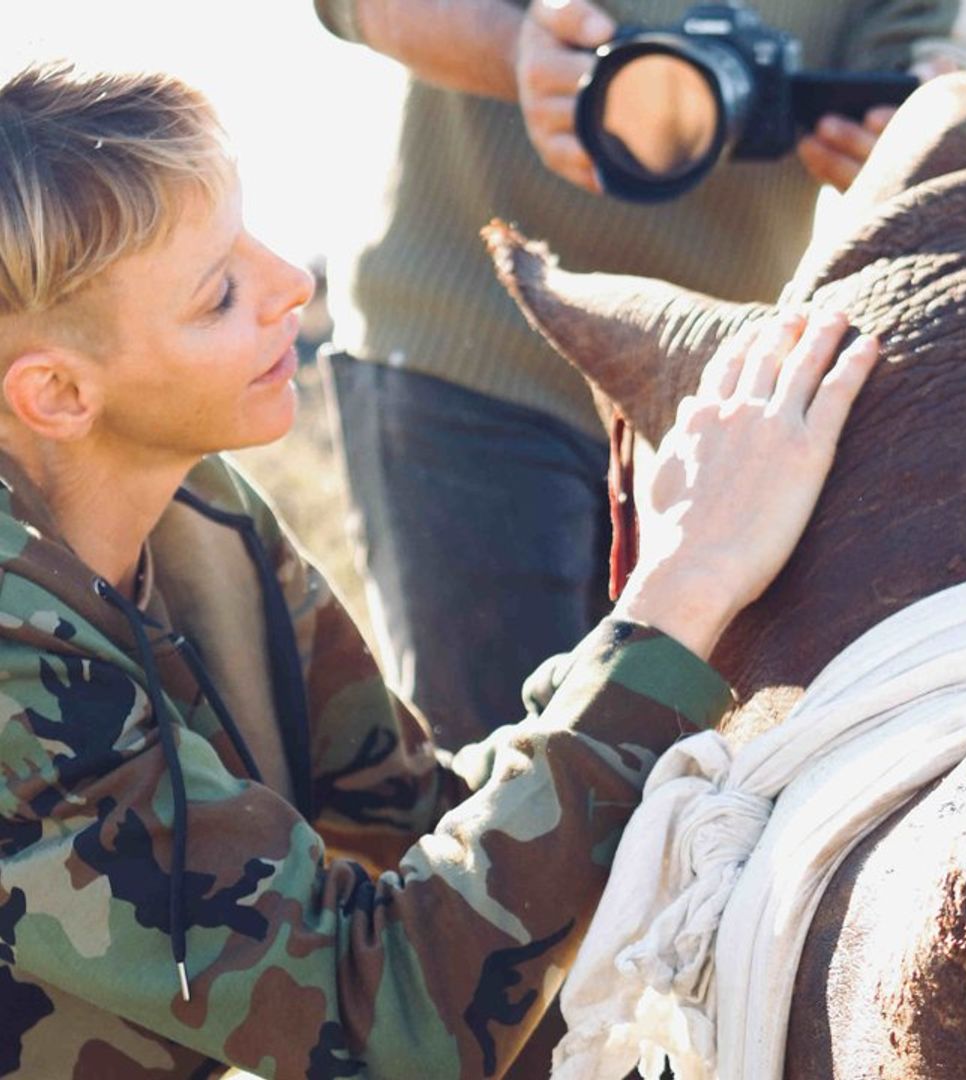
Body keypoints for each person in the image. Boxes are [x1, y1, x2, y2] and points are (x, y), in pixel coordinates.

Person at [0, 63, 877, 1077]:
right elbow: (382, 1018)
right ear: (59, 392)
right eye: (220, 293)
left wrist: (681, 574)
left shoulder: (201, 513)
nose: (293, 284)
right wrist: (685, 591)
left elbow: (418, 824)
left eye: (251, 237)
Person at [313, 0, 966, 750]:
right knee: (490, 762)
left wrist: (931, 94)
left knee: (691, 762)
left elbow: (963, 29)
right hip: (467, 347)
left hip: (721, 392)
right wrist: (517, 51)